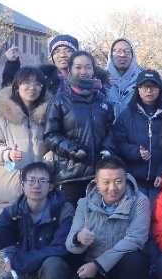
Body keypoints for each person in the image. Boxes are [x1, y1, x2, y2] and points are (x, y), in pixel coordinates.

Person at [65, 156, 151, 279]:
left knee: (136, 260)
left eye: (118, 181)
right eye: (106, 182)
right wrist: (79, 238)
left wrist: (97, 265)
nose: (112, 188)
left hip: (124, 269)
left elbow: (135, 239)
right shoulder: (84, 204)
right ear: (96, 182)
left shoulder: (140, 201)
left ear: (126, 179)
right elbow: (71, 245)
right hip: (97, 271)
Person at [44, 51, 115, 207]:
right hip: (70, 175)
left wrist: (106, 149)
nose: (83, 72)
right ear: (70, 70)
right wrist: (71, 149)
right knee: (70, 219)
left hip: (99, 174)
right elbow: (50, 135)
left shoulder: (102, 100)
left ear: (93, 70)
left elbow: (111, 129)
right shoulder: (60, 100)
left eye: (88, 67)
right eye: (78, 67)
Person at [0, 65, 51, 221]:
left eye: (38, 84)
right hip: (9, 189)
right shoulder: (2, 117)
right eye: (26, 82)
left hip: (40, 191)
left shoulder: (49, 115)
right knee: (8, 234)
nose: (32, 87)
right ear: (16, 86)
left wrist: (46, 164)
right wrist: (7, 154)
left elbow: (55, 146)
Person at [111, 69, 162, 204]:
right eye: (144, 86)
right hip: (133, 181)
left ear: (160, 89)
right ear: (138, 89)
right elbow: (118, 142)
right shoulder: (126, 115)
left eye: (153, 87)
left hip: (159, 181)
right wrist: (136, 152)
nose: (149, 90)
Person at [1, 34, 110, 96]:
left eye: (67, 50)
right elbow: (13, 90)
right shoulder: (42, 79)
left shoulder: (93, 82)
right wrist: (12, 64)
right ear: (52, 56)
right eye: (57, 52)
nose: (62, 55)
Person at [106, 38, 143, 119]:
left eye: (127, 52)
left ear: (133, 55)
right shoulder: (99, 78)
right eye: (118, 51)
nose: (122, 55)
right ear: (111, 54)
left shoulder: (143, 79)